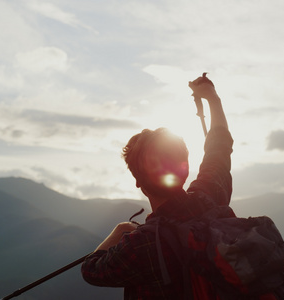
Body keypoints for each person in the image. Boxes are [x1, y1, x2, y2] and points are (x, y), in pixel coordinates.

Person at [81, 75, 238, 299]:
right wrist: (213, 99)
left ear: (138, 181)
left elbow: (91, 270)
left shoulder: (141, 245)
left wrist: (121, 230)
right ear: (184, 169)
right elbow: (219, 149)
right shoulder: (209, 198)